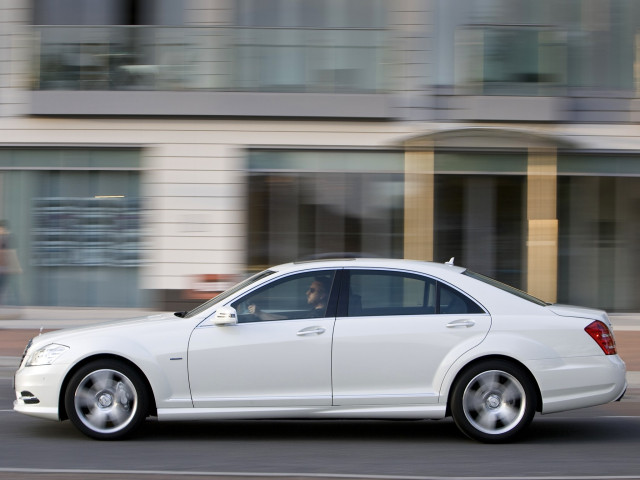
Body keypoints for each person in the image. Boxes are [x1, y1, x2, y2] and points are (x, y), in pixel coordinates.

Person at [247, 275, 331, 321]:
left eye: (312, 290)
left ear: (322, 295)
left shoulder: (317, 315)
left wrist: (260, 314)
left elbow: (286, 324)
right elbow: (287, 319)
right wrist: (260, 313)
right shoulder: (316, 312)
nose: (307, 293)